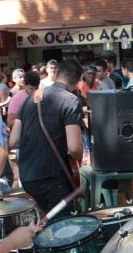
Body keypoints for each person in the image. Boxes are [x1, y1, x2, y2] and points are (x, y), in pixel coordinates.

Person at [11, 65, 84, 216]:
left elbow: (13, 141)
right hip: (52, 177)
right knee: (64, 229)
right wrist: (81, 163)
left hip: (28, 176)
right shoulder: (71, 100)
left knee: (49, 223)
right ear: (77, 83)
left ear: (57, 76)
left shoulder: (31, 98)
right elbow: (74, 147)